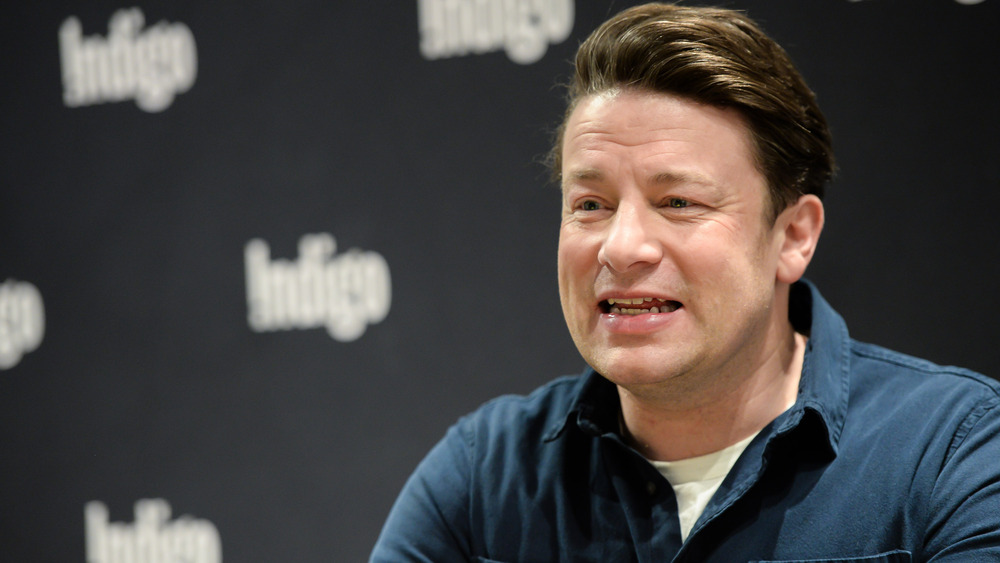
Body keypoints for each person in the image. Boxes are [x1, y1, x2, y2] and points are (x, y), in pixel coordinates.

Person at [371, 3, 1000, 561]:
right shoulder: (485, 477)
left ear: (793, 237)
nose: (621, 247)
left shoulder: (951, 453)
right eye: (590, 204)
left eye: (678, 202)